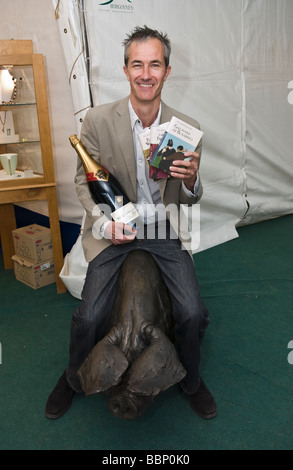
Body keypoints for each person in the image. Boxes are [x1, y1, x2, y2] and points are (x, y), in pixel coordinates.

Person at [45, 25, 217, 420]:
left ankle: (190, 379)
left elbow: (190, 197)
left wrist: (191, 180)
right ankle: (72, 378)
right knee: (88, 315)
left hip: (159, 231)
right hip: (114, 231)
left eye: (154, 64)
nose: (145, 73)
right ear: (125, 71)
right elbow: (82, 181)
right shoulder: (98, 121)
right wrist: (104, 226)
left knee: (191, 311)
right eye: (137, 64)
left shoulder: (186, 130)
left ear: (167, 72)